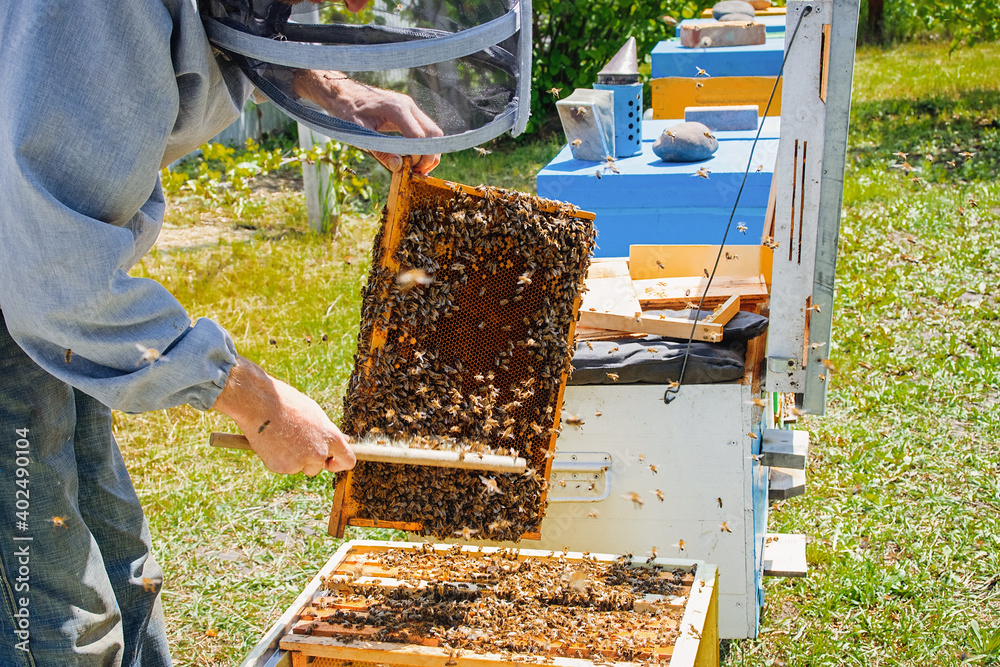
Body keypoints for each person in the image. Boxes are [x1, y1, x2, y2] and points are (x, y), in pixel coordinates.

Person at [0, 0, 441, 664]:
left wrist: (334, 88)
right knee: (56, 601)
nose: (355, 7)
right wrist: (257, 405)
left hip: (52, 254)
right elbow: (55, 281)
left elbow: (223, 17)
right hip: (30, 265)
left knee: (125, 563)